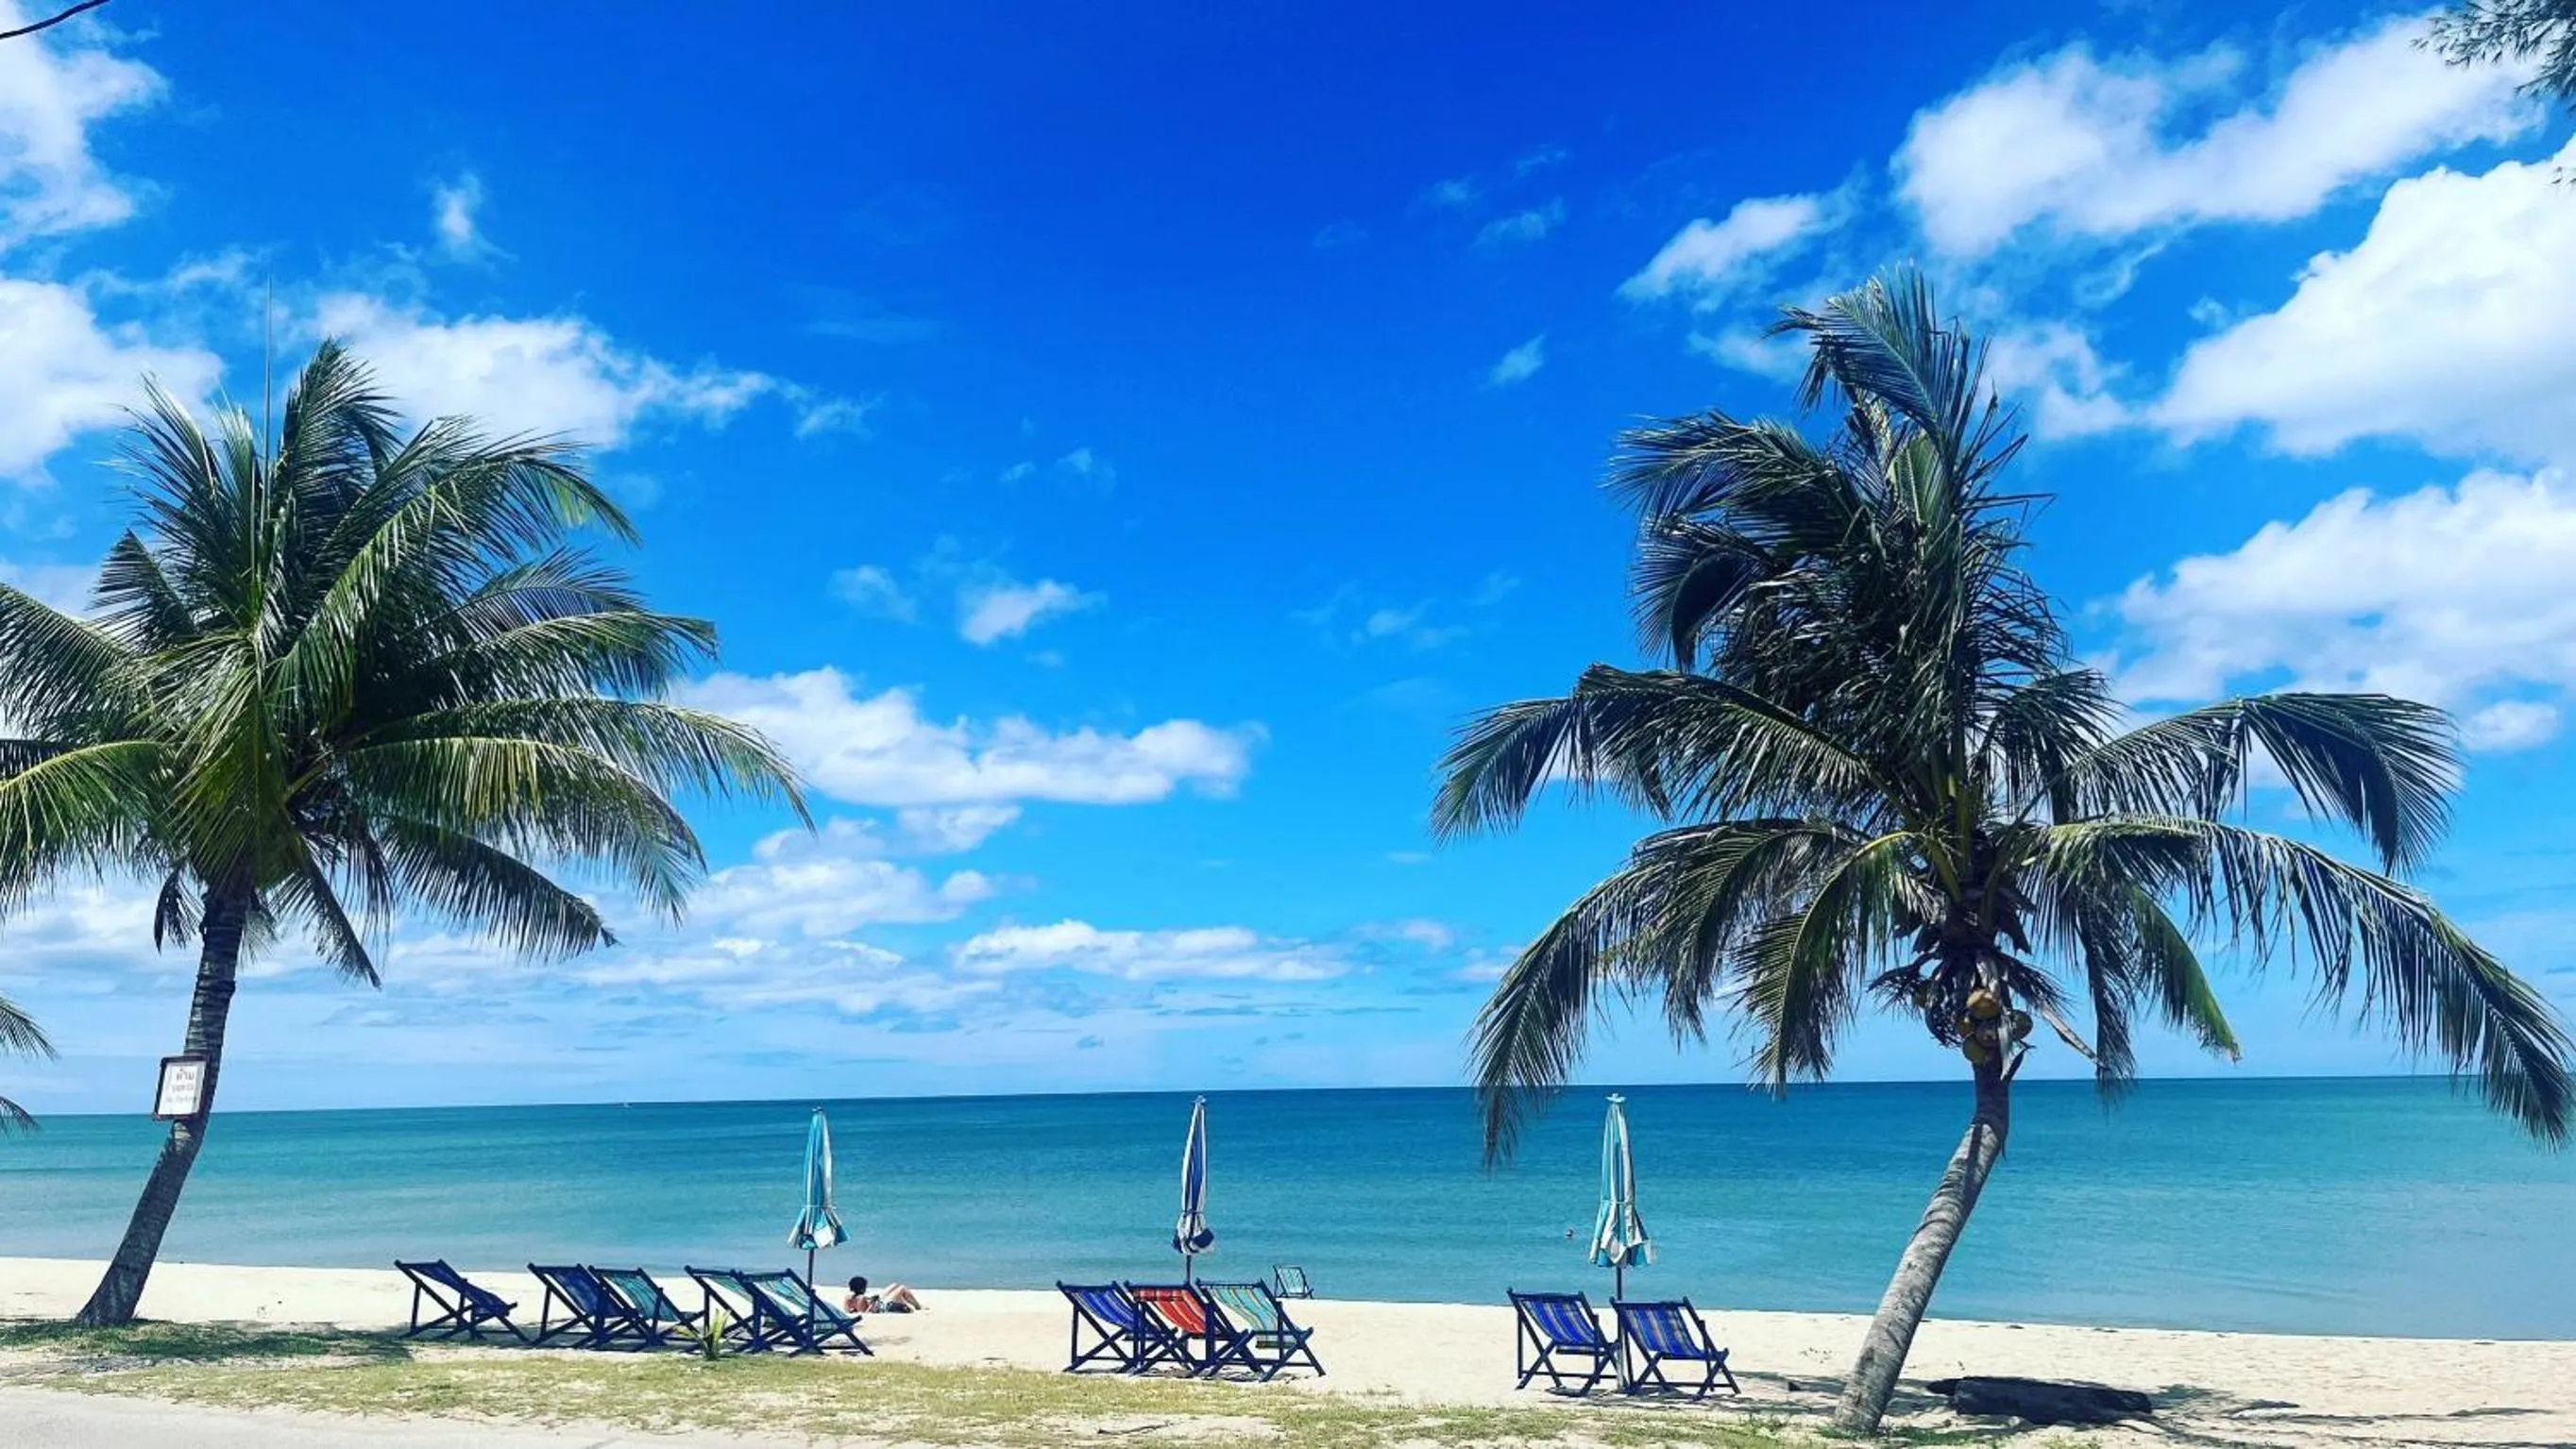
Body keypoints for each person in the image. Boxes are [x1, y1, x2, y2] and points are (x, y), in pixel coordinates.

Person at [844, 1274, 923, 1314]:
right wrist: (872, 1303)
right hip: (883, 1307)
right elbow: (866, 1312)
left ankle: (917, 1305)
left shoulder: (848, 1298)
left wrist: (871, 1300)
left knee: (894, 1285)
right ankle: (918, 1306)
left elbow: (848, 1310)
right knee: (902, 1288)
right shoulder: (861, 1298)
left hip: (879, 1303)